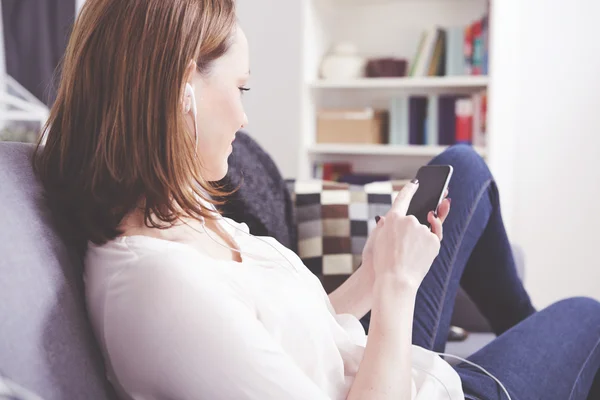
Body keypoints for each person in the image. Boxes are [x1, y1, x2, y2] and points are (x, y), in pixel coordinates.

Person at [33, 0, 600, 399]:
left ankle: (533, 348)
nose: (245, 115)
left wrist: (373, 276)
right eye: (241, 86)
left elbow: (284, 338)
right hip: (413, 383)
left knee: (463, 169)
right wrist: (399, 289)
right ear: (182, 90)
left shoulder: (178, 218)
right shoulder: (160, 288)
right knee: (584, 315)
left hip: (400, 369)